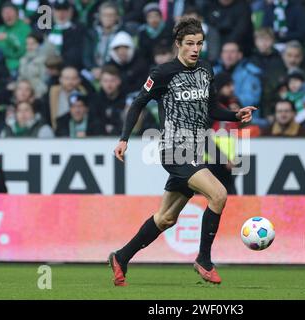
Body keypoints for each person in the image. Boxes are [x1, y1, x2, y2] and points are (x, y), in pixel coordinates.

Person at [110, 17, 256, 286]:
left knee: (165, 218)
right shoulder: (163, 73)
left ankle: (121, 257)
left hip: (195, 151)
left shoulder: (206, 69)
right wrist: (124, 139)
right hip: (174, 150)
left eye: (199, 43)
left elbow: (211, 109)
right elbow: (138, 103)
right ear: (178, 44)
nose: (195, 49)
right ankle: (204, 259)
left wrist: (235, 115)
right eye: (189, 43)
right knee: (219, 194)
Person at [0, 2, 31, 75]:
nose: (7, 15)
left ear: (17, 14)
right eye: (4, 13)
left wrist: (8, 38)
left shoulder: (25, 28)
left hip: (17, 66)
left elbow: (21, 51)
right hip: (0, 66)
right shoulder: (1, 29)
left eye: (10, 12)